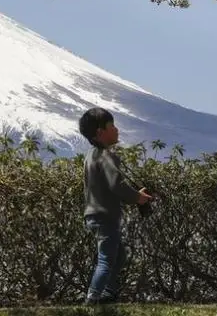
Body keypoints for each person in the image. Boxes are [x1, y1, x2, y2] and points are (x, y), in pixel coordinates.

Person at [78, 107, 153, 306]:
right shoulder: (106, 156)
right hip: (105, 216)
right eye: (112, 126)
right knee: (106, 259)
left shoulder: (90, 155)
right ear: (101, 132)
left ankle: (109, 293)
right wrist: (139, 197)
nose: (117, 130)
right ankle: (93, 299)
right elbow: (117, 185)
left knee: (119, 254)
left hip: (93, 214)